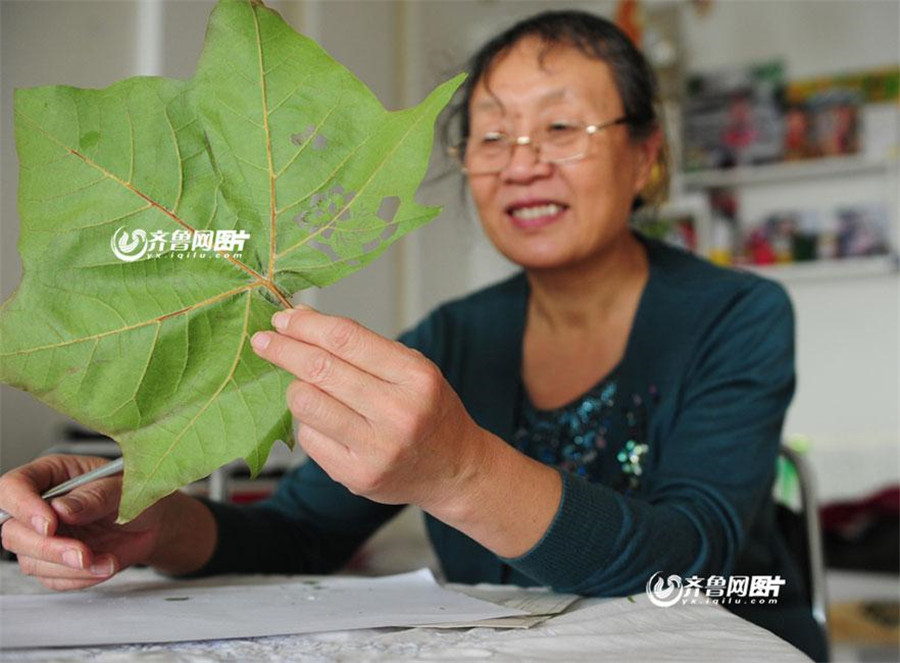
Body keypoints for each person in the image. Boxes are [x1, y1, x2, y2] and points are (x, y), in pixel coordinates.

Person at [0, 10, 826, 661]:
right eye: (492, 134)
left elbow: (697, 564)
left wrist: (462, 471)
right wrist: (157, 522)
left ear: (647, 156)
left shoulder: (739, 313)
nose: (521, 161)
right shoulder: (450, 338)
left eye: (563, 128)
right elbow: (304, 532)